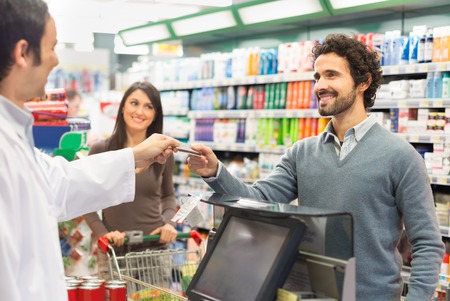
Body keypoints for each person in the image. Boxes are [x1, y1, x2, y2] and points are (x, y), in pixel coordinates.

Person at [187, 33, 445, 301]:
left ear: (363, 82)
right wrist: (214, 171)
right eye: (317, 77)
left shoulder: (401, 156)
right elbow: (258, 200)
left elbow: (427, 243)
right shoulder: (303, 152)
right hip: (308, 295)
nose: (320, 85)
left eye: (331, 75)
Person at [0, 1, 180, 300]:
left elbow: (60, 180)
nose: (56, 60)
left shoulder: (13, 133)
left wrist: (134, 156)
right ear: (22, 53)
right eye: (52, 47)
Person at [84, 81, 178, 280]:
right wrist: (102, 233)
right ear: (123, 107)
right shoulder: (101, 150)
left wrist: (168, 223)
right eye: (134, 103)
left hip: (154, 249)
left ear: (155, 114)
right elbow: (86, 199)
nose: (140, 111)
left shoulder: (163, 153)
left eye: (148, 106)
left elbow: (168, 195)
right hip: (114, 250)